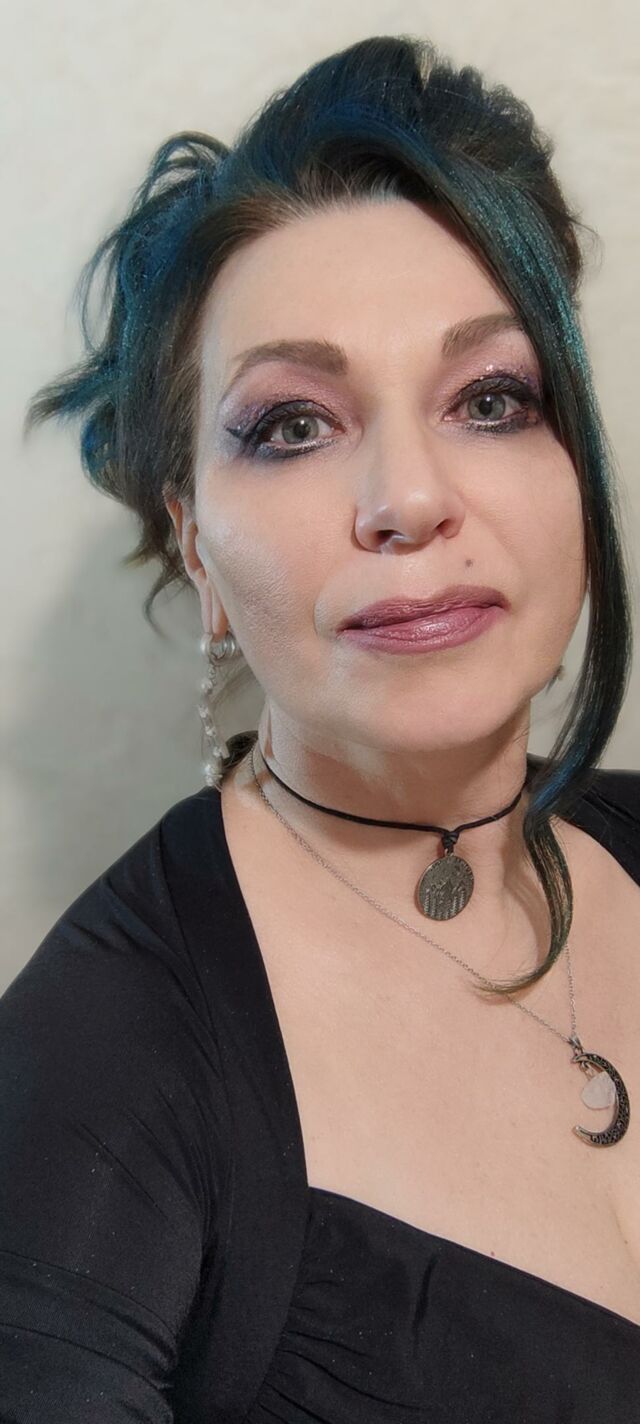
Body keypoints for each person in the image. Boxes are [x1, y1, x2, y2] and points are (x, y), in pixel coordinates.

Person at [2, 31, 639, 1422]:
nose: (408, 498)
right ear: (193, 540)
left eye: (492, 400)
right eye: (293, 425)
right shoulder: (91, 1072)